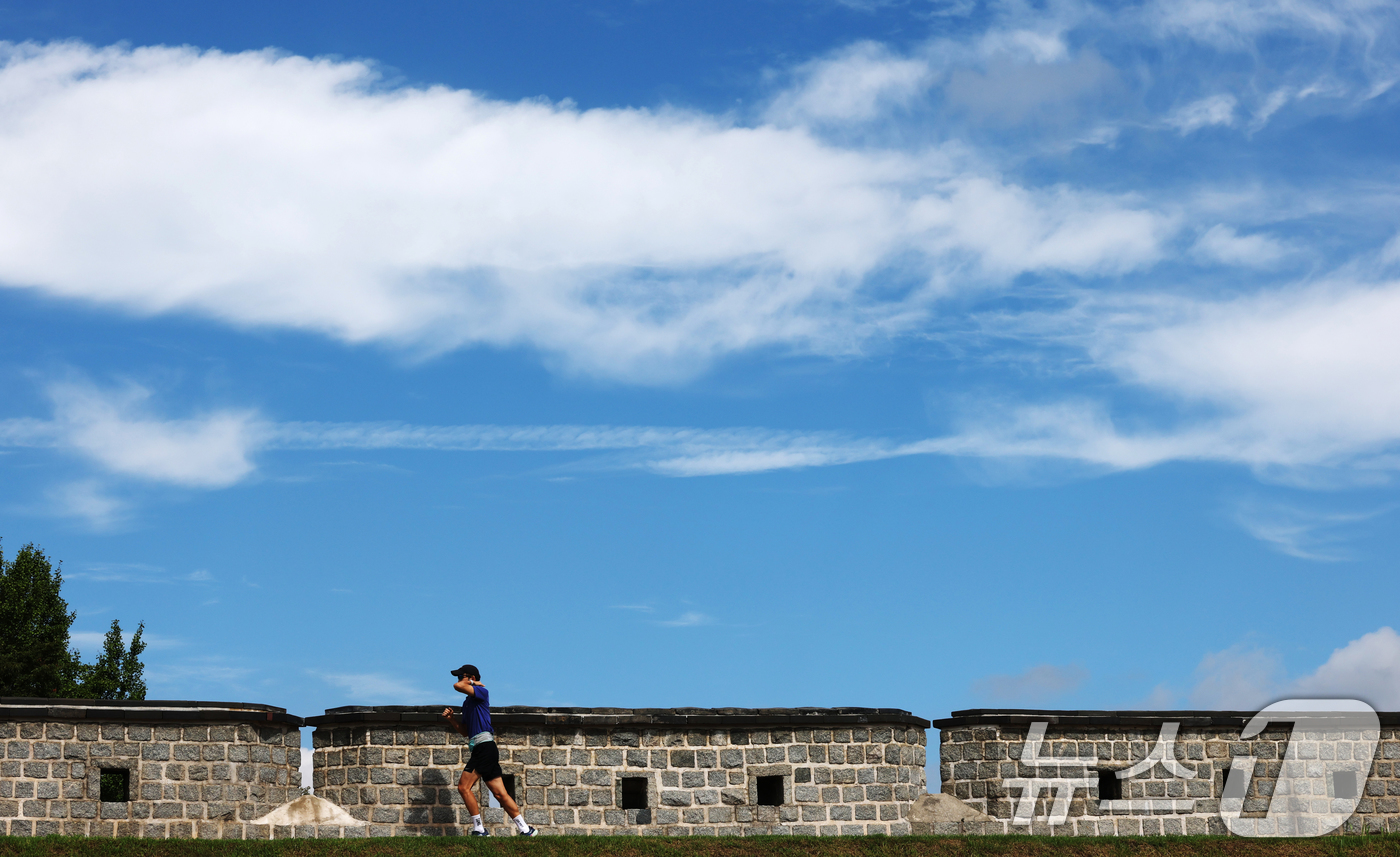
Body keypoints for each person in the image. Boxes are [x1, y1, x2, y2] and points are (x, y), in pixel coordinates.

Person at [440, 664, 538, 836]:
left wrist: (473, 683)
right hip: (484, 748)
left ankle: (479, 829)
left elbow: (457, 686)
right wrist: (452, 719)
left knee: (463, 787)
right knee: (500, 794)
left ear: (471, 677)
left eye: (461, 676)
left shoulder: (482, 692)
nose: (458, 680)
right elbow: (465, 732)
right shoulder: (467, 703)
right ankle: (526, 829)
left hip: (484, 748)